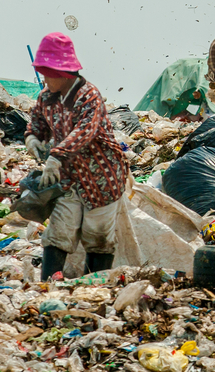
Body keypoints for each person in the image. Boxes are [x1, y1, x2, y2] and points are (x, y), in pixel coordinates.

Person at [23, 33, 130, 280]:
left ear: (62, 73)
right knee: (59, 231)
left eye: (47, 73)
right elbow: (36, 124)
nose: (44, 78)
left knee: (98, 237)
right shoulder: (46, 98)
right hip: (69, 179)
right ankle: (48, 285)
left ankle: (94, 288)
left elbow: (85, 130)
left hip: (102, 179)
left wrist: (56, 156)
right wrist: (33, 140)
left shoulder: (88, 95)